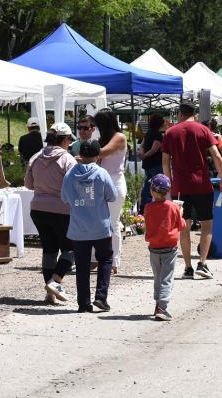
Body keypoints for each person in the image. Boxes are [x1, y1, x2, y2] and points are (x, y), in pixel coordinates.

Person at [162, 102, 222, 279]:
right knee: (207, 225)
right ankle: (203, 263)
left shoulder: (170, 132)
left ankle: (187, 267)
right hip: (202, 185)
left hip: (180, 187)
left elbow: (165, 162)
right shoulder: (204, 130)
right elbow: (216, 155)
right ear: (194, 113)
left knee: (184, 227)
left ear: (180, 114)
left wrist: (168, 185)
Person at [61, 139, 117, 313]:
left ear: (80, 155)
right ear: (97, 156)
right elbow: (112, 196)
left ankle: (83, 303)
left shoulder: (70, 174)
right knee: (105, 259)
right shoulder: (102, 173)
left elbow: (64, 198)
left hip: (78, 228)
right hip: (100, 225)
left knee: (82, 265)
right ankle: (101, 296)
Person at [25, 123, 77, 304]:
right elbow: (74, 186)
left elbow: (29, 185)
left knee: (49, 250)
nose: (70, 143)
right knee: (71, 249)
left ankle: (50, 293)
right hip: (61, 209)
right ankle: (55, 281)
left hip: (38, 208)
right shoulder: (68, 159)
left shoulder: (36, 157)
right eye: (69, 139)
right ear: (63, 139)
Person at [143, 173, 185, 321]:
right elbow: (181, 226)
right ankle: (162, 307)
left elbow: (147, 225)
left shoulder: (148, 207)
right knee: (166, 277)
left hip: (154, 247)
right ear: (167, 191)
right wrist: (180, 214)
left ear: (152, 190)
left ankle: (158, 303)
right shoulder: (173, 207)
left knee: (158, 276)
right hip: (170, 247)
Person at [94, 108, 129, 273]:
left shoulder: (119, 137)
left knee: (112, 222)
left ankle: (114, 260)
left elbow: (102, 152)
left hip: (114, 183)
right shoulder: (104, 138)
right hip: (101, 182)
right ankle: (97, 258)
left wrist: (85, 152)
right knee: (98, 222)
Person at [137, 113, 165, 214]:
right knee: (158, 186)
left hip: (147, 164)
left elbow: (142, 145)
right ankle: (157, 208)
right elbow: (154, 149)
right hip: (155, 164)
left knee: (147, 186)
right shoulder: (158, 135)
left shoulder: (148, 133)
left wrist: (142, 153)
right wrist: (145, 155)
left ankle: (143, 207)